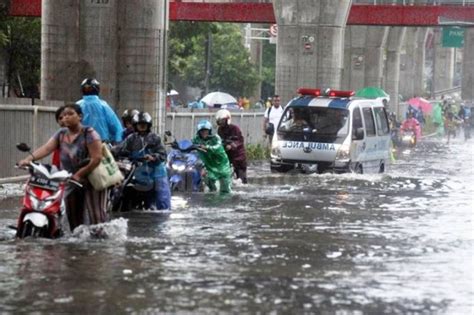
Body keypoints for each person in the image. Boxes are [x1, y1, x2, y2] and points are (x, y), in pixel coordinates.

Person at [18, 103, 107, 232]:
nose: (66, 118)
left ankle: (101, 245)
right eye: (64, 115)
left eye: (70, 114)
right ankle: (76, 246)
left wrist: (79, 174)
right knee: (73, 219)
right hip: (69, 180)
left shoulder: (89, 133)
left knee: (96, 217)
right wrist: (28, 159)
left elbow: (96, 158)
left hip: (91, 179)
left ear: (80, 116)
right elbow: (47, 148)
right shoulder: (61, 133)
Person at [115, 111, 171, 210]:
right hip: (138, 173)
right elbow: (120, 149)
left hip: (156, 173)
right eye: (139, 125)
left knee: (162, 200)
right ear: (135, 126)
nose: (141, 127)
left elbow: (163, 154)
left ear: (148, 125)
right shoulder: (131, 139)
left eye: (144, 125)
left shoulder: (155, 138)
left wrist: (153, 157)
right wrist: (108, 150)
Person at [76, 78, 123, 144]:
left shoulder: (77, 105)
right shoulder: (103, 105)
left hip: (80, 143)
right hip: (101, 143)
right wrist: (118, 141)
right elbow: (116, 126)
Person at [192, 120, 232, 194]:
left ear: (209, 131)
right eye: (202, 131)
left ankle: (226, 201)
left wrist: (206, 147)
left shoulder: (216, 138)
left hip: (221, 164)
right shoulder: (196, 139)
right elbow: (190, 145)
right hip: (209, 164)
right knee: (209, 180)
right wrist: (178, 146)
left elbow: (218, 147)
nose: (204, 132)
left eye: (206, 130)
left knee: (225, 188)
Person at [215, 109, 248, 184]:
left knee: (241, 178)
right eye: (220, 121)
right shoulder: (220, 130)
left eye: (223, 120)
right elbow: (219, 140)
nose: (221, 123)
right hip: (227, 156)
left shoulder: (235, 129)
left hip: (238, 157)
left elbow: (239, 140)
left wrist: (232, 145)